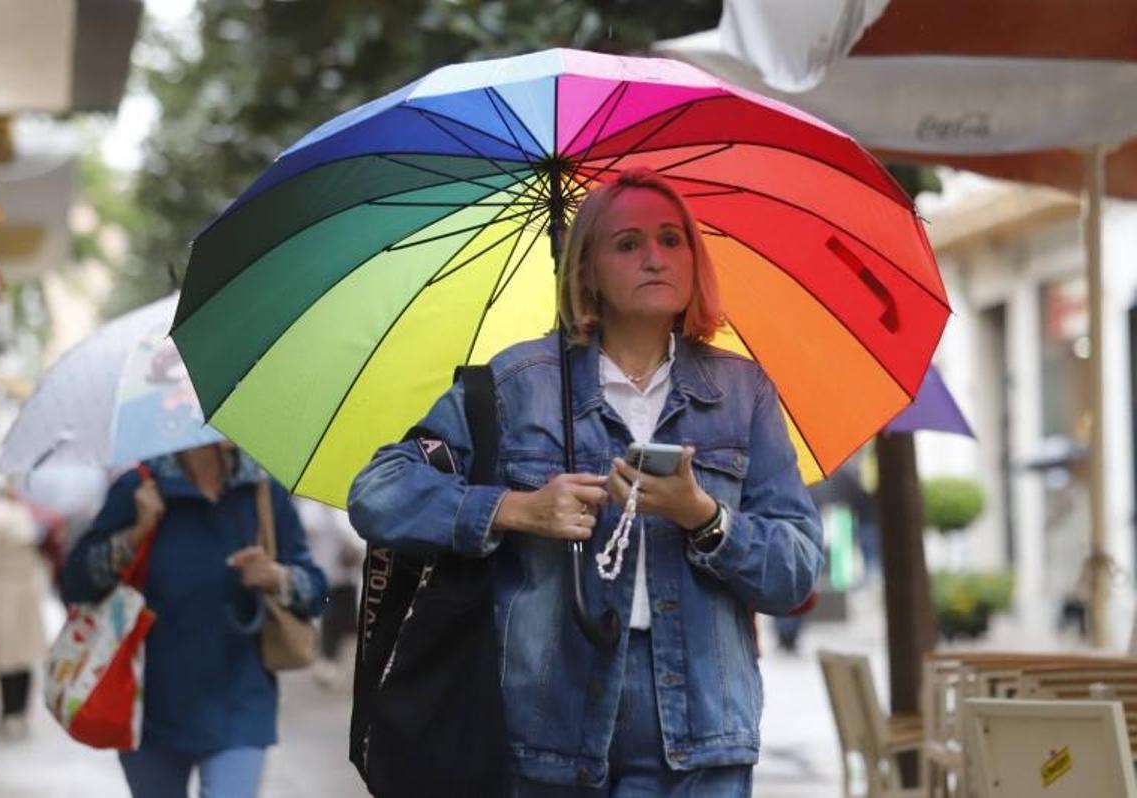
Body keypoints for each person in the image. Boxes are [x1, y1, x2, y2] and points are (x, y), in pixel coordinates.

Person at [349, 168, 824, 796]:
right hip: (551, 726)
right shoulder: (518, 383)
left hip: (702, 732)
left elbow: (796, 571)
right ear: (586, 271)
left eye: (671, 239)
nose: (655, 257)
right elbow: (378, 493)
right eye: (627, 244)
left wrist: (704, 516)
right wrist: (516, 509)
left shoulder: (742, 393)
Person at [61, 443, 326, 798]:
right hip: (152, 705)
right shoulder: (138, 488)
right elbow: (76, 583)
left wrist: (278, 577)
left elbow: (318, 592)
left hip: (241, 703)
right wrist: (135, 533)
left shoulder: (262, 489)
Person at [0, 487, 48, 739]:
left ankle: (8, 714)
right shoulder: (19, 512)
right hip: (27, 591)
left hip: (2, 593)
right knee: (24, 656)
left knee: (5, 657)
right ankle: (21, 713)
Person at [293, 497, 363, 687]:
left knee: (351, 619)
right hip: (323, 574)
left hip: (348, 578)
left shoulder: (346, 510)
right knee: (330, 618)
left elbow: (356, 540)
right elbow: (305, 530)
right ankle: (327, 659)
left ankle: (334, 660)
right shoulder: (310, 509)